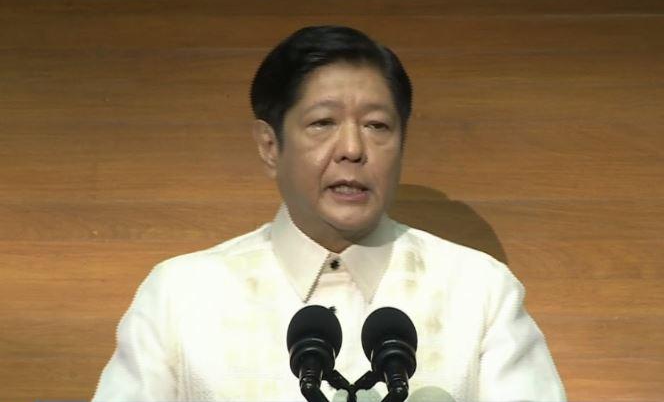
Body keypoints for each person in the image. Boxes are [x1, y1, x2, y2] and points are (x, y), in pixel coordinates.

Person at [92, 25, 566, 401]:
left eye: (377, 125)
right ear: (270, 145)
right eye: (323, 123)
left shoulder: (479, 291)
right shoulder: (180, 295)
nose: (353, 148)